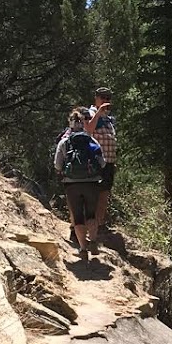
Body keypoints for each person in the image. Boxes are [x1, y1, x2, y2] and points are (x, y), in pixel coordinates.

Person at [54, 107, 105, 259]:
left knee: (77, 216)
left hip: (71, 184)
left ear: (70, 123)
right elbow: (102, 163)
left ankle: (83, 249)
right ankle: (93, 241)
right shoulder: (91, 140)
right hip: (92, 183)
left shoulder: (64, 142)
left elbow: (57, 165)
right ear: (82, 123)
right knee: (91, 214)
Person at [84, 87, 117, 230]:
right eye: (102, 97)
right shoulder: (89, 113)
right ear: (96, 98)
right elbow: (88, 131)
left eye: (108, 98)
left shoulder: (109, 118)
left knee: (104, 194)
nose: (105, 101)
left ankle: (100, 224)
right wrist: (98, 113)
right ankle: (87, 225)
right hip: (95, 161)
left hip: (109, 162)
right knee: (92, 194)